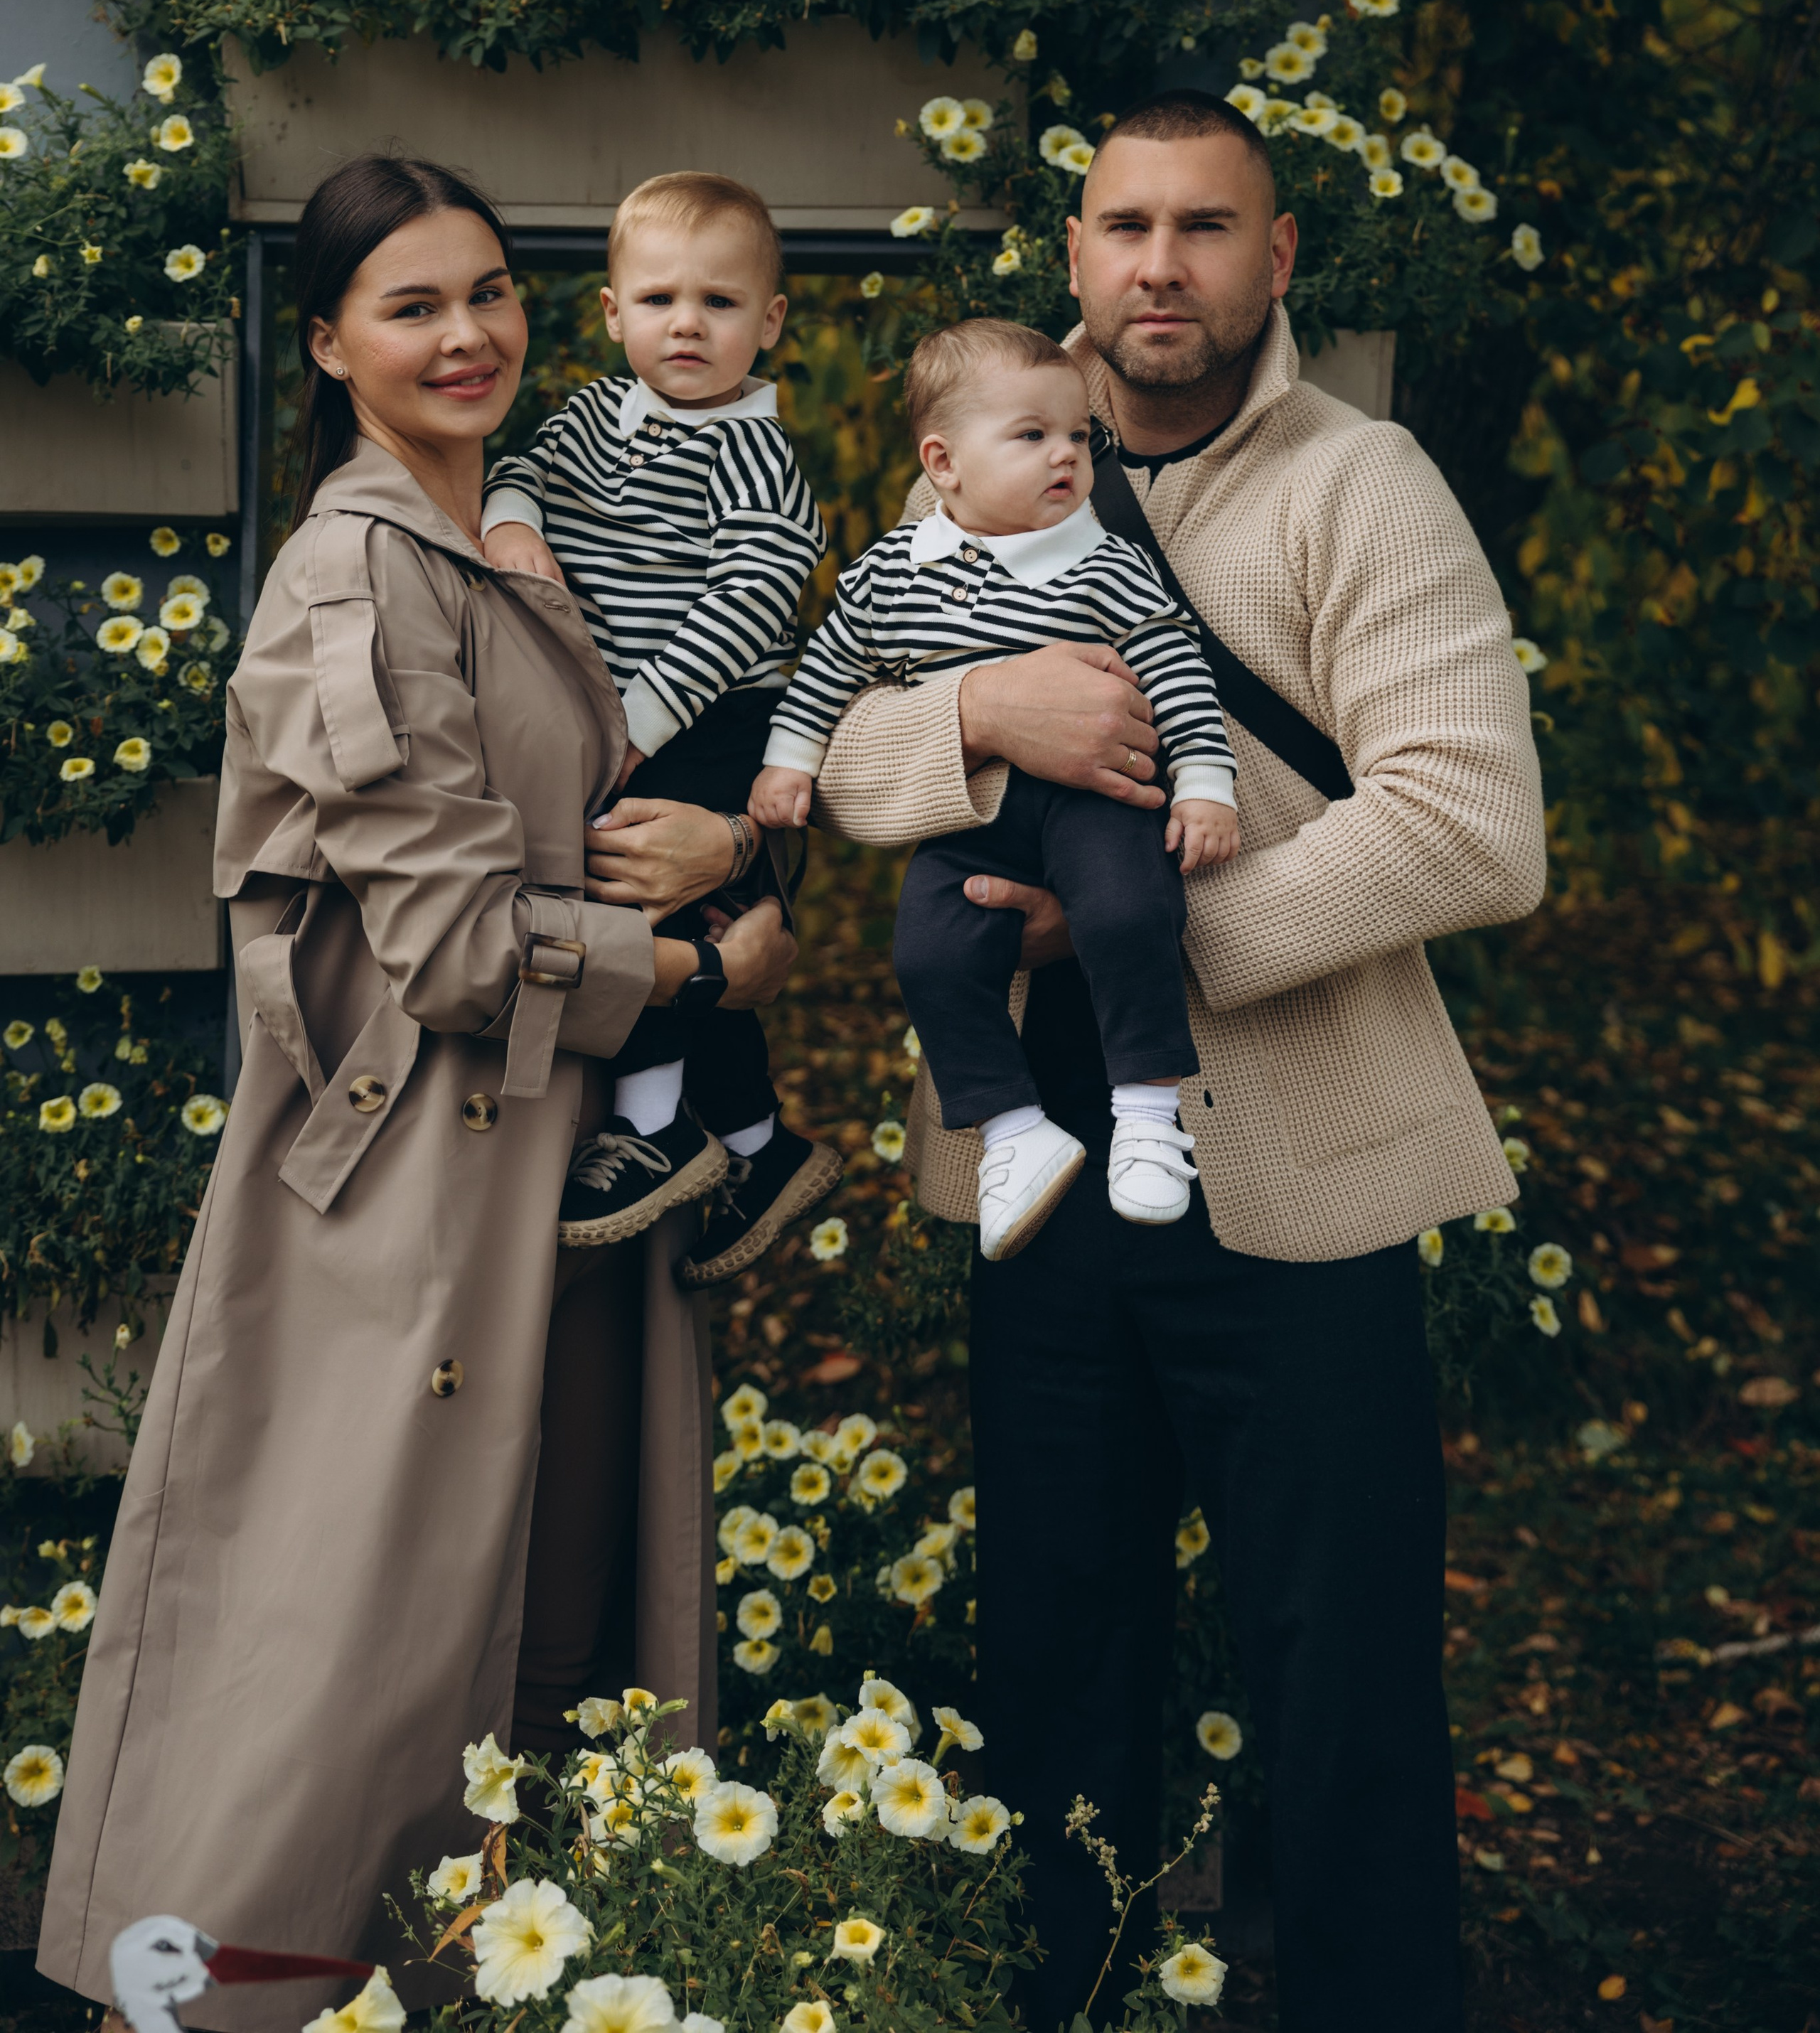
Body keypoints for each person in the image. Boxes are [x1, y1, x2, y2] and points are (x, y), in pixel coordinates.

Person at [810, 90, 1547, 2033]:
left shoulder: (1360, 485)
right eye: (1125, 228)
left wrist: (1141, 932)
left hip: (1300, 1176)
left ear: (1276, 258)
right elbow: (860, 755)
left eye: (1205, 229)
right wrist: (990, 703)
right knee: (1058, 1662)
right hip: (1043, 1174)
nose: (1160, 266)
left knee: (1347, 1679)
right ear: (1073, 261)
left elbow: (1475, 824)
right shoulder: (978, 487)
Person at [36, 155, 798, 2032]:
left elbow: (646, 786)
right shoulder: (354, 570)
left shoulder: (527, 538)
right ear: (327, 343)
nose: (467, 336)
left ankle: (490, 1997)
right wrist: (702, 970)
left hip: (568, 1172)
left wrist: (728, 855)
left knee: (550, 1652)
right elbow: (460, 947)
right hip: (412, 1206)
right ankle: (202, 2001)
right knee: (344, 1668)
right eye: (410, 306)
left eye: (487, 295)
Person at [753, 316, 1238, 1258]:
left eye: (1075, 437)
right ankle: (1015, 1131)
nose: (1066, 456)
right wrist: (788, 758)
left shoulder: (1104, 563)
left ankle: (1146, 1114)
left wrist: (1205, 784)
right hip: (968, 814)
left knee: (1130, 911)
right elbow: (830, 674)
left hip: (1097, 805)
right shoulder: (890, 574)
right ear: (944, 463)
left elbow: (1175, 668)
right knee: (930, 959)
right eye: (1031, 437)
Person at [481, 170, 837, 1287]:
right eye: (660, 299)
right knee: (673, 914)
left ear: (768, 323)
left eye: (722, 304)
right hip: (624, 714)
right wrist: (509, 523)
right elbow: (518, 468)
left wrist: (637, 725)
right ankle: (753, 1146)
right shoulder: (588, 414)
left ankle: (652, 1125)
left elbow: (752, 596)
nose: (688, 324)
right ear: (612, 312)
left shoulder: (756, 455)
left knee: (641, 894)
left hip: (714, 713)